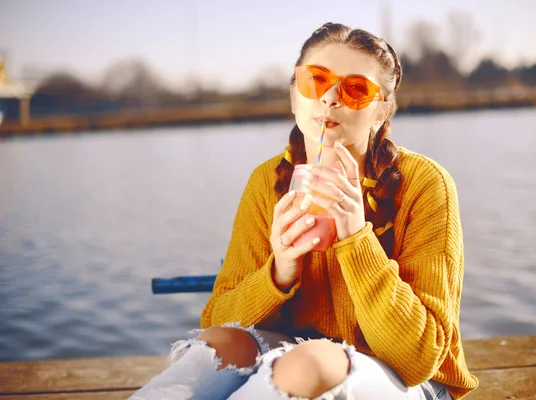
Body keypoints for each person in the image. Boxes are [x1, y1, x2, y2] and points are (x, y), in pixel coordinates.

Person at [130, 22, 479, 400]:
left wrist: (357, 239)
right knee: (219, 346)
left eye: (356, 89)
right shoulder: (267, 182)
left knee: (310, 360)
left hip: (407, 380)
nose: (330, 98)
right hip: (296, 355)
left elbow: (418, 359)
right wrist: (278, 272)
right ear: (295, 97)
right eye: (315, 81)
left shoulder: (425, 184)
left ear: (381, 111)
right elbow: (217, 317)